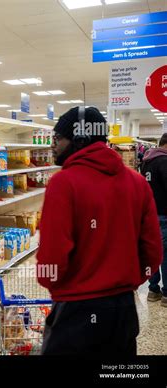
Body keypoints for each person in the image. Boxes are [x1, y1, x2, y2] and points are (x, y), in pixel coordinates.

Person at [36, 106, 163, 356]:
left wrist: (56, 286)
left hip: (75, 310)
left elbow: (52, 255)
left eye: (58, 138)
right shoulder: (136, 182)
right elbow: (152, 249)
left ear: (79, 138)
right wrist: (127, 282)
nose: (52, 146)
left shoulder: (63, 183)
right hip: (123, 310)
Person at [141, 133, 167, 307]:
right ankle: (166, 294)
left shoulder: (147, 160)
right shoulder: (164, 161)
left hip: (149, 215)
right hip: (164, 214)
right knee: (166, 255)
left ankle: (153, 289)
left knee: (152, 253)